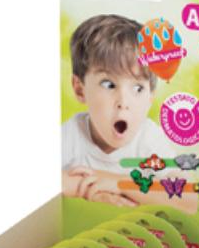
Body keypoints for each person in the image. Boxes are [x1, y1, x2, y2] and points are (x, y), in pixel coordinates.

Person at [61, 13, 174, 203]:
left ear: (150, 98)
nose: (123, 102)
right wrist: (96, 193)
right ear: (80, 89)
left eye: (137, 88)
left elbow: (188, 198)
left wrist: (120, 184)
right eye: (109, 84)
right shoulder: (71, 135)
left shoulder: (148, 139)